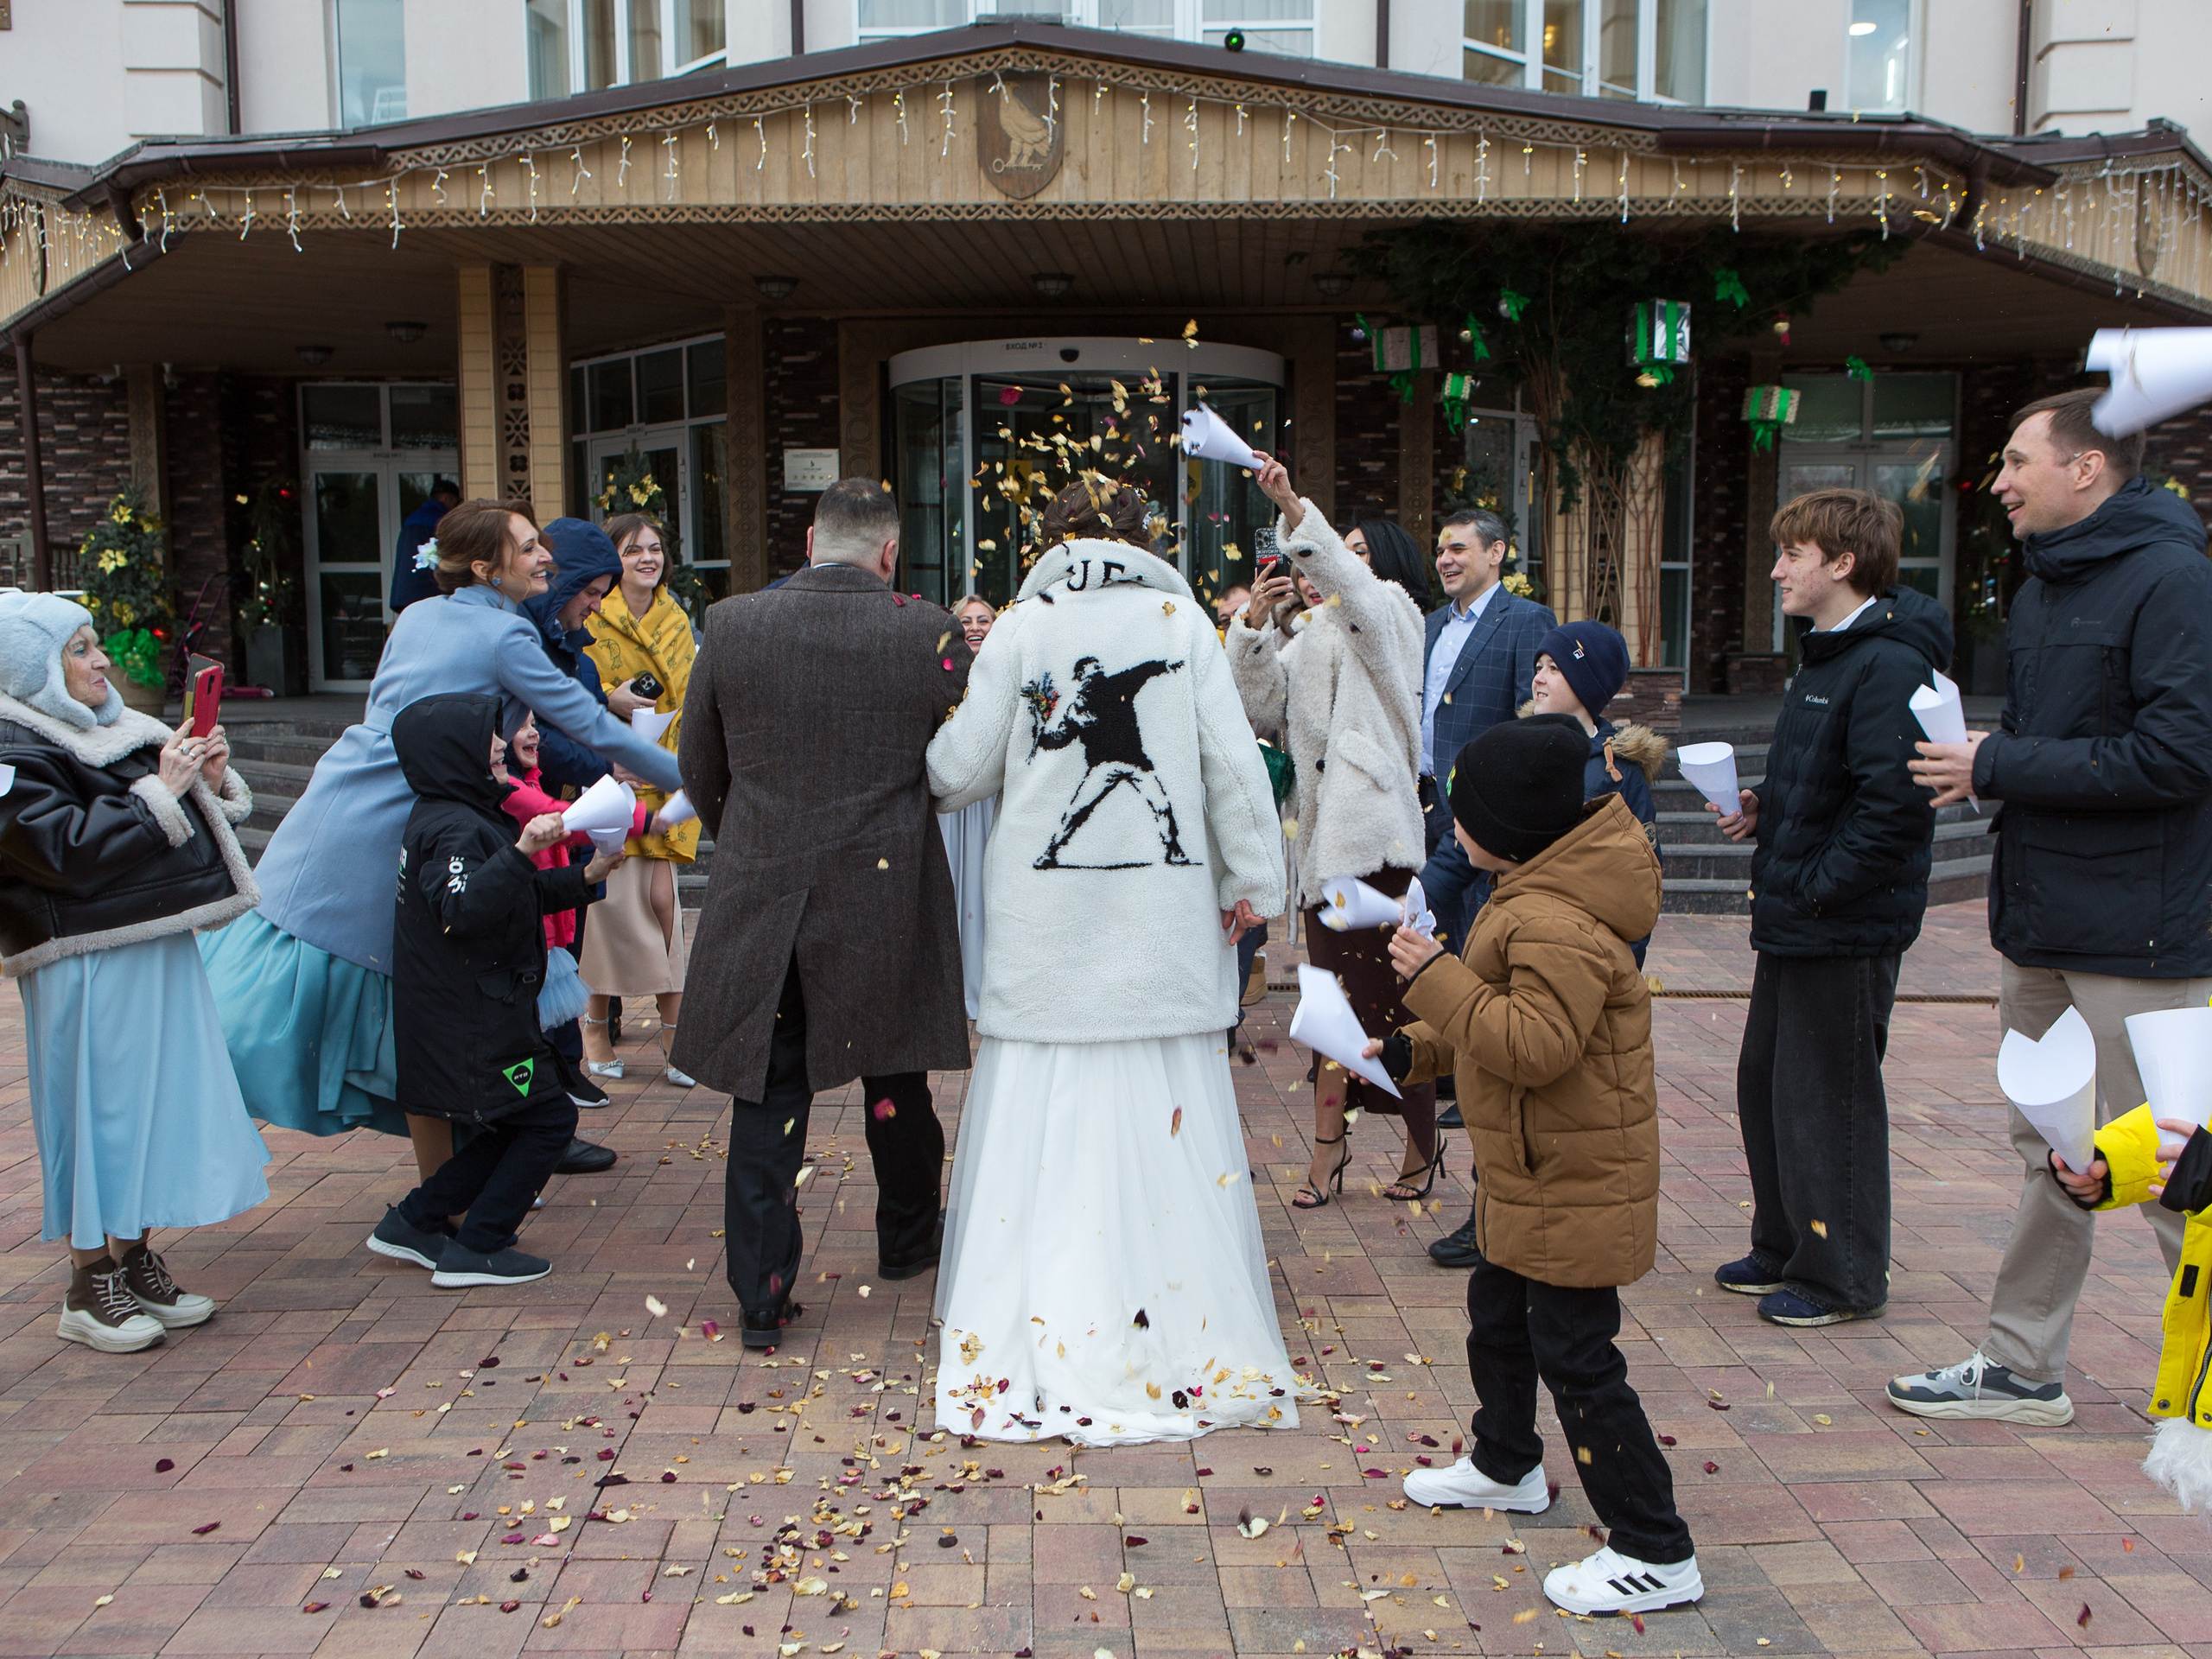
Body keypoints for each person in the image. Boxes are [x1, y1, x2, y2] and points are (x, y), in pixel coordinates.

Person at [926, 475, 1293, 1445]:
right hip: (1160, 932)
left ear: (1051, 541)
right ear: (1145, 541)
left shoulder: (1020, 628)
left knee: (1042, 1116)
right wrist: (1253, 881)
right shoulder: (1181, 620)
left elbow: (958, 772)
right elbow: (1234, 766)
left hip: (1044, 936)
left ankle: (1041, 1309)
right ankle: (1174, 1311)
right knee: (1165, 1110)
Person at [1893, 387, 2212, 1422]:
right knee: (2053, 1154)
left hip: (2142, 932)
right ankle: (2020, 1366)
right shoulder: (2040, 584)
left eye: (2015, 461)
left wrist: (1997, 763)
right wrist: (1989, 763)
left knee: (2170, 1166)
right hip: (2039, 922)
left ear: (2086, 468)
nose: (1997, 483)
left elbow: (2179, 756)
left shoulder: (2174, 580)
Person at [200, 500, 682, 1177]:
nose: (545, 556)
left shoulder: (422, 615)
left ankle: (453, 1189)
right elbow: (592, 727)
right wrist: (700, 781)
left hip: (342, 802)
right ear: (486, 567)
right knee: (425, 1011)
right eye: (528, 547)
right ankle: (453, 1194)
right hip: (403, 827)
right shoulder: (505, 636)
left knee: (400, 1012)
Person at [1372, 715, 1699, 1617]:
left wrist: (1432, 974)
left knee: (1579, 1359)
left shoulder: (1553, 920)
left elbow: (1533, 1045)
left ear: (1506, 829)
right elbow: (1493, 1020)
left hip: (1575, 1182)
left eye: (1462, 816)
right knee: (1499, 1317)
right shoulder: (1528, 889)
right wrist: (1410, 1050)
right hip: (1531, 1171)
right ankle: (1506, 1462)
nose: (1450, 830)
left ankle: (1655, 1547)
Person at [676, 480, 973, 1348]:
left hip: (765, 885)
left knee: (768, 1089)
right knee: (896, 1076)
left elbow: (698, 764)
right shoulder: (929, 632)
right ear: (890, 554)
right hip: (884, 890)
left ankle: (761, 1295)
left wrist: (748, 836)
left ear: (809, 544)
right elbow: (964, 754)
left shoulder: (732, 624)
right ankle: (908, 1240)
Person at [0, 594, 270, 1351]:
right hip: (83, 961)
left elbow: (164, 834)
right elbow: (61, 853)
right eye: (79, 648)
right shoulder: (12, 745)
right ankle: (89, 1284)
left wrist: (205, 780)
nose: (101, 660)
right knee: (96, 1114)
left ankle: (130, 1258)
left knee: (155, 1104)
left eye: (95, 644)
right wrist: (164, 790)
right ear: (32, 667)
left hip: (149, 945)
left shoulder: (104, 729)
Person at [1707, 490, 1948, 1328]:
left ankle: (1841, 1275)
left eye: (1793, 555)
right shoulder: (1829, 657)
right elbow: (1830, 780)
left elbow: (1894, 808)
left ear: (1843, 564)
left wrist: (1814, 885)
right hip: (1798, 915)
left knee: (1828, 1101)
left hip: (1838, 924)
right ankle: (1785, 1244)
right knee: (1769, 1085)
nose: (1776, 570)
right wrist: (1765, 806)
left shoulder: (1888, 665)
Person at [1230, 460, 1439, 1209]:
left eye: (1353, 553)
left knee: (1387, 1006)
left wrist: (1292, 507)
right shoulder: (1311, 638)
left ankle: (1422, 1144)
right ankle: (1330, 1146)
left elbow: (1359, 597)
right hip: (1320, 854)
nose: (1319, 568)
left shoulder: (1395, 617)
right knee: (1326, 1008)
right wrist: (1253, 629)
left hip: (1375, 847)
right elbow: (1259, 707)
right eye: (1321, 554)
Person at [364, 695, 620, 1287]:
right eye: (489, 736)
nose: (503, 744)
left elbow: (510, 895)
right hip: (472, 1020)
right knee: (549, 1119)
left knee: (516, 1122)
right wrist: (524, 851)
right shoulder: (453, 827)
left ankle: (416, 1220)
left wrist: (582, 877)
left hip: (473, 1013)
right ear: (454, 752)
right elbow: (462, 910)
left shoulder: (458, 814)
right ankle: (478, 1245)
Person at [579, 513, 701, 1086]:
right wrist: (611, 700)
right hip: (608, 777)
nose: (648, 558)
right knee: (607, 908)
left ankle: (676, 1035)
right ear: (613, 560)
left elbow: (691, 692)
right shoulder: (592, 616)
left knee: (662, 906)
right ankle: (594, 1027)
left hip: (666, 774)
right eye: (633, 551)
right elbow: (566, 692)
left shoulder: (676, 617)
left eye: (654, 548)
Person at [938, 594, 999, 1020]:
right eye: (967, 620)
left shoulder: (1006, 671)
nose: (975, 627)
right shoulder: (942, 672)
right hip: (953, 798)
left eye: (984, 620)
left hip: (991, 794)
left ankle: (987, 985)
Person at [388, 479, 461, 616]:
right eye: (456, 503)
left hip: (405, 594)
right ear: (446, 499)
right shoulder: (440, 521)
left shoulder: (413, 519)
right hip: (427, 595)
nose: (455, 509)